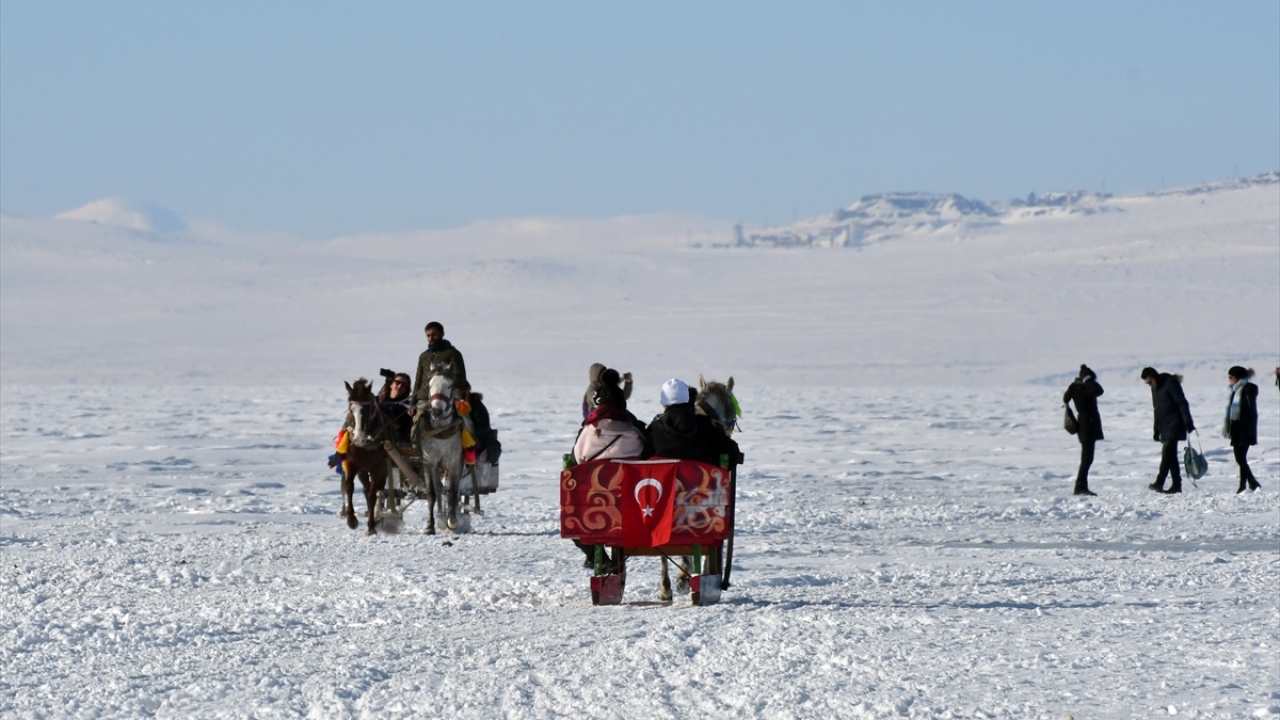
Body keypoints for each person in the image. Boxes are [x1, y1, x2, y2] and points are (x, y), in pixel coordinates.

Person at [647, 378, 740, 467]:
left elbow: (643, 455)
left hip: (663, 481)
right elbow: (731, 452)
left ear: (663, 404)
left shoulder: (654, 429)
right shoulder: (707, 426)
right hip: (702, 481)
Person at [572, 377, 652, 464]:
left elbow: (576, 460)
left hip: (594, 477)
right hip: (627, 476)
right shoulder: (635, 434)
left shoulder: (587, 433)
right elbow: (646, 456)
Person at [1141, 367, 1195, 494]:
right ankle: (1176, 485)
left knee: (1167, 454)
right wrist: (1156, 429)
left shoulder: (1170, 383)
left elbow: (1182, 403)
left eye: (1150, 382)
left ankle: (1159, 482)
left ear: (1154, 377)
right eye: (1147, 383)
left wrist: (1188, 421)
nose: (1150, 385)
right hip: (1164, 426)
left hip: (1175, 423)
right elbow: (1157, 410)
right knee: (1171, 456)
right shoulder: (1154, 388)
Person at [1063, 364, 1103, 496]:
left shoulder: (1077, 388)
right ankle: (1080, 486)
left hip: (1087, 425)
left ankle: (1081, 485)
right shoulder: (1080, 390)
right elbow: (1098, 391)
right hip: (1087, 426)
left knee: (1087, 458)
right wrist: (1088, 381)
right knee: (1087, 459)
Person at [412, 321, 467, 409]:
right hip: (424, 400)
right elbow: (418, 381)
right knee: (417, 421)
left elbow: (460, 378)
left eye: (434, 335)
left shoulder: (452, 354)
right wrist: (412, 403)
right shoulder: (424, 356)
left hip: (445, 399)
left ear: (442, 334)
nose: (431, 338)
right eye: (428, 336)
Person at [1224, 366, 1260, 493]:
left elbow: (1252, 412)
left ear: (1237, 377)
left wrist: (1250, 430)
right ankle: (1244, 485)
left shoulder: (1249, 389)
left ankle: (1251, 482)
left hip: (1245, 428)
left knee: (1240, 458)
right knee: (1241, 458)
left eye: (1231, 377)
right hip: (1236, 428)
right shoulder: (1234, 391)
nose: (1229, 380)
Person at [375, 371, 414, 444]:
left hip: (395, 444)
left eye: (404, 385)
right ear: (391, 384)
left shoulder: (407, 406)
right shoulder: (377, 401)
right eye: (397, 382)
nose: (399, 386)